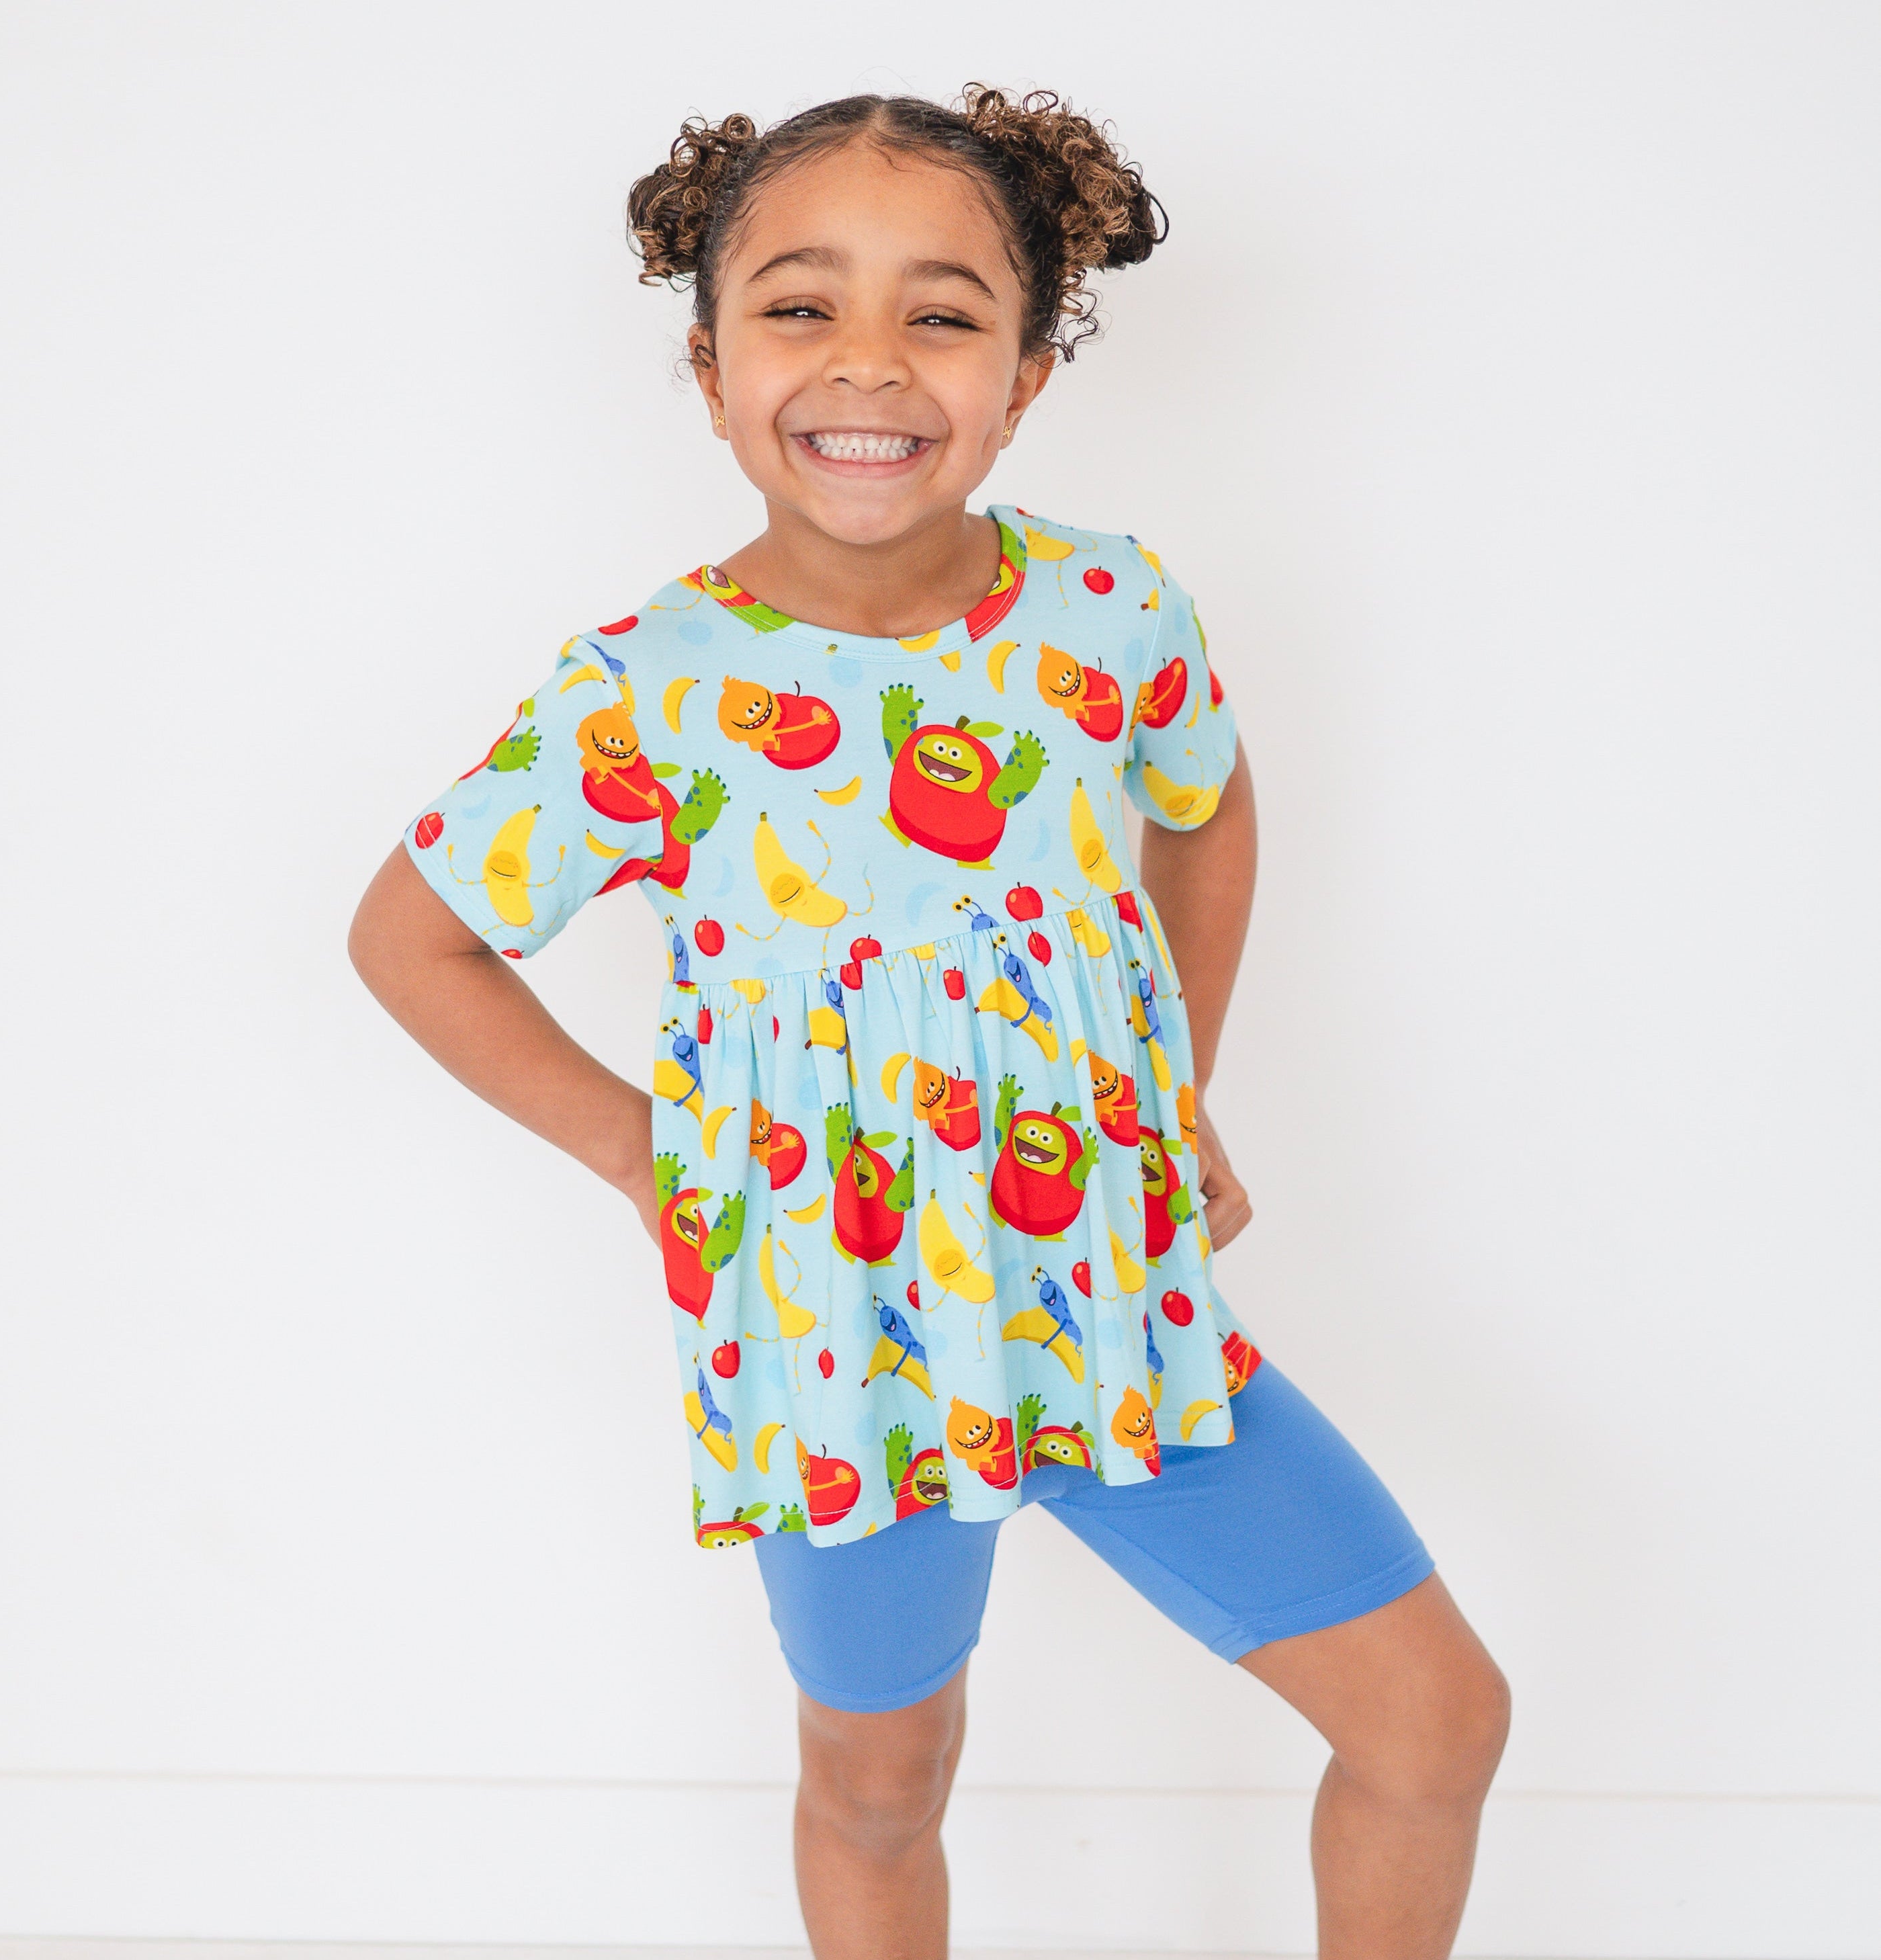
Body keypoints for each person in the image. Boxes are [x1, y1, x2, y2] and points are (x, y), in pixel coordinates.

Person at [349, 83, 1510, 1960]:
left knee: (1436, 1719)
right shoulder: (642, 694)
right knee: (880, 1783)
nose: (868, 364)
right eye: (800, 307)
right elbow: (410, 940)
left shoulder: (1107, 611)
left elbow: (1202, 817)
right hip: (838, 1349)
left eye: (943, 312)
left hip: (1115, 1310)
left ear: (1029, 369)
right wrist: (649, 1157)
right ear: (710, 362)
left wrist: (1174, 1093)